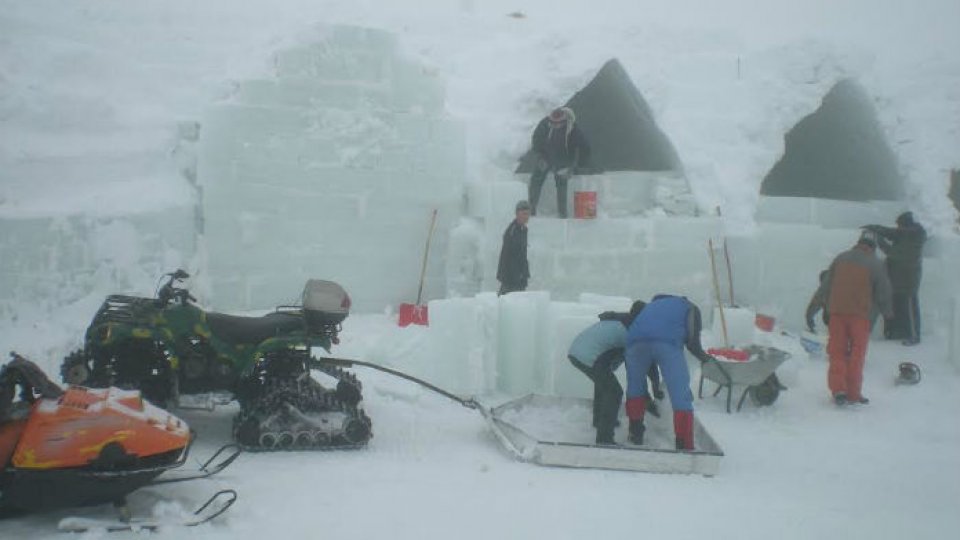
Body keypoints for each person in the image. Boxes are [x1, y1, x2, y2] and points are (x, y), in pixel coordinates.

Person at [623, 294, 715, 450]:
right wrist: (706, 358)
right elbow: (693, 342)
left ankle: (635, 434)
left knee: (635, 388)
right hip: (667, 345)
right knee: (680, 394)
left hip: (634, 343)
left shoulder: (651, 306)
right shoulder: (690, 307)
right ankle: (684, 445)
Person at [567, 302, 662, 445]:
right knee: (614, 391)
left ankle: (600, 421)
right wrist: (652, 393)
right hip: (589, 355)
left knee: (605, 384)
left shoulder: (626, 321)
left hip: (578, 351)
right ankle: (604, 438)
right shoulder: (634, 333)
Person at [815, 231, 893, 406]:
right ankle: (853, 393)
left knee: (837, 352)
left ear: (859, 242)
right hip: (860, 316)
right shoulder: (876, 264)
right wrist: (888, 314)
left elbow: (825, 286)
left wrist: (812, 308)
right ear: (873, 247)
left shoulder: (841, 258)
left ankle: (838, 390)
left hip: (837, 314)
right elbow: (884, 293)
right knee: (857, 354)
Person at [862, 212, 927, 345]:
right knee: (896, 308)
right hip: (895, 278)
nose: (897, 228)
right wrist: (875, 227)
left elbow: (894, 254)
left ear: (906, 225)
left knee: (910, 309)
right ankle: (894, 333)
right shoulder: (906, 233)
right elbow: (889, 232)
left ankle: (914, 336)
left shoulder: (915, 238)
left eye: (899, 226)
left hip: (908, 281)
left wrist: (879, 240)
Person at [527, 107, 590, 218]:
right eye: (552, 123)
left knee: (561, 184)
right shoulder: (545, 124)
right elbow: (536, 139)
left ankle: (562, 213)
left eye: (557, 124)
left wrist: (573, 167)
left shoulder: (573, 130)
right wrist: (540, 156)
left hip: (563, 160)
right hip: (546, 157)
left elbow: (582, 148)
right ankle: (531, 209)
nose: (554, 125)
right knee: (536, 179)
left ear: (564, 121)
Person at [496, 200, 530, 295]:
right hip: (510, 277)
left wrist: (524, 273)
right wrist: (516, 276)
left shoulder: (523, 230)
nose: (526, 217)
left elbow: (523, 254)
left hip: (519, 276)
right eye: (523, 214)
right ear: (517, 214)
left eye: (527, 214)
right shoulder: (512, 231)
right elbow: (509, 256)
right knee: (505, 300)